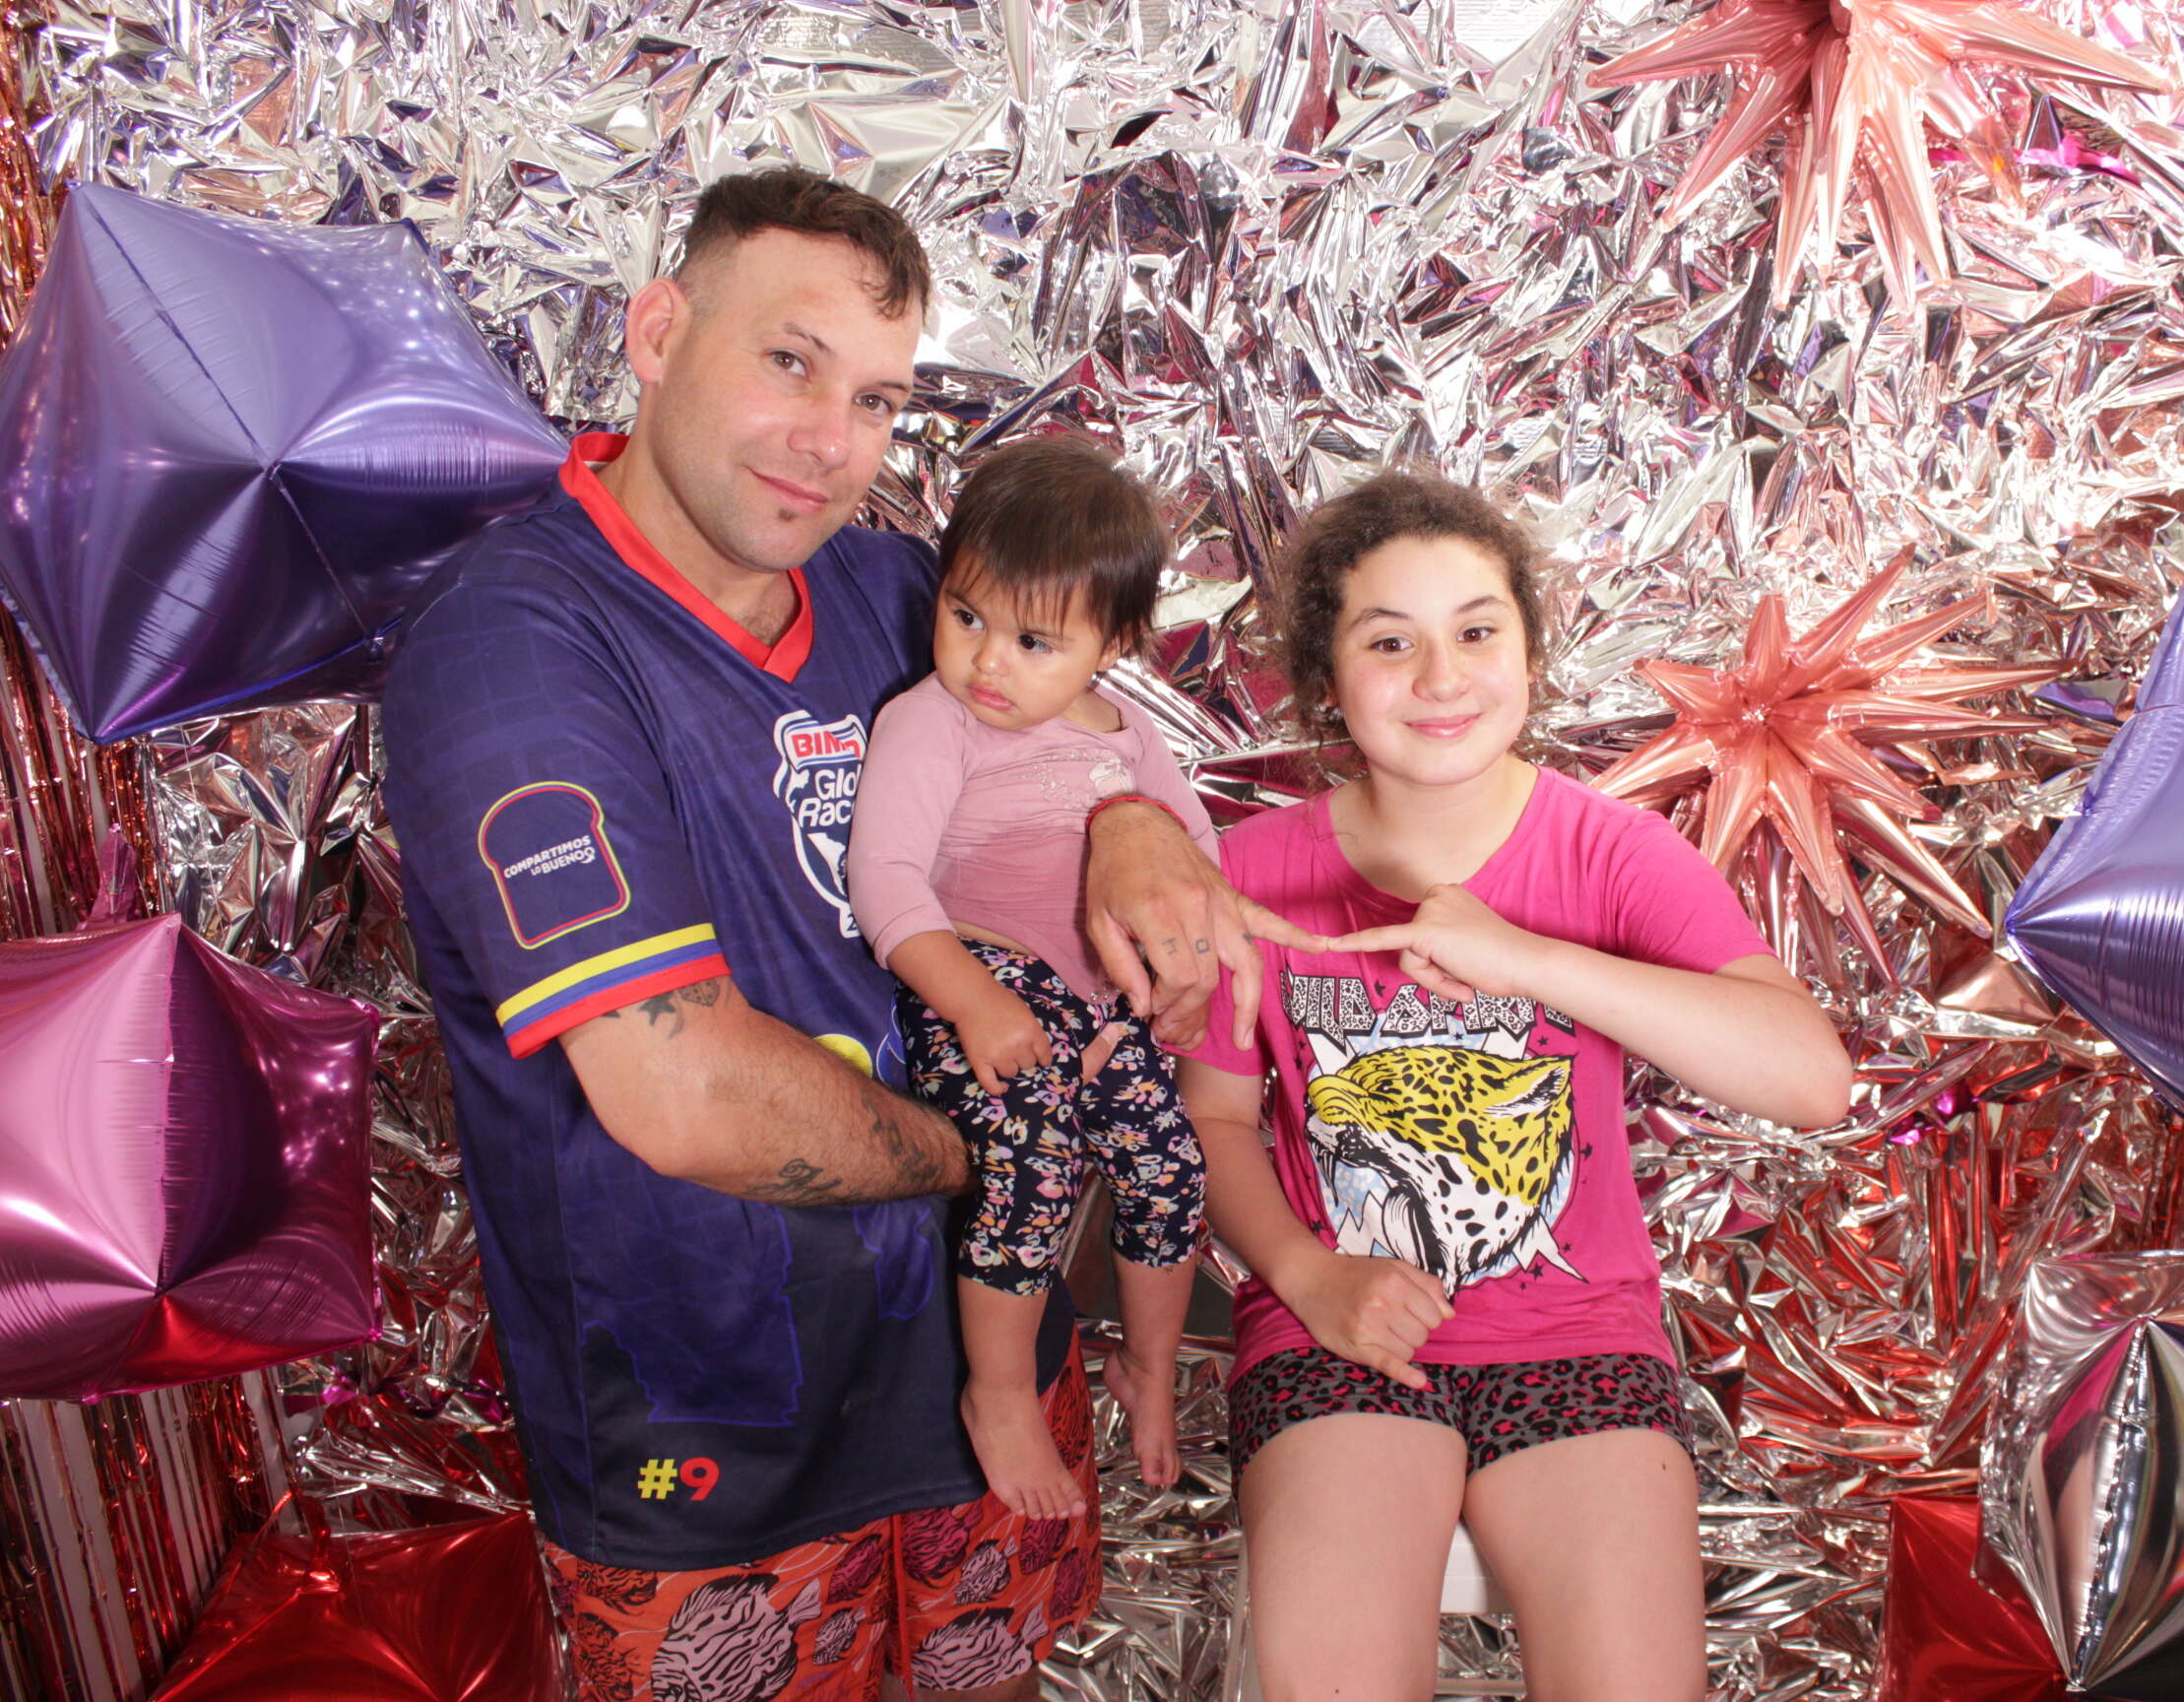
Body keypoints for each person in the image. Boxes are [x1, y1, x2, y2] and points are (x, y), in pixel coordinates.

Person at [382, 165, 1307, 1702]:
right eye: (789, 361)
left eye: (875, 399)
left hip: (977, 1371)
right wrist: (1010, 1147)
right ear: (658, 333)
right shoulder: (512, 647)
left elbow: (1074, 723)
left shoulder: (899, 592)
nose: (831, 440)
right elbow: (682, 1093)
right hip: (709, 1435)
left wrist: (1133, 824)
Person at [1177, 473, 1854, 1701]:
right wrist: (1307, 1275)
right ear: (1328, 678)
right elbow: (1216, 1121)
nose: (1442, 677)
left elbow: (1812, 1079)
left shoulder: (1617, 853)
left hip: (1576, 1335)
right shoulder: (1248, 870)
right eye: (1391, 642)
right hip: (1336, 1330)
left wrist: (1530, 960)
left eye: (1478, 631)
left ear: (1531, 657)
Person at [845, 437, 1211, 1522]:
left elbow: (1194, 862)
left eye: (1034, 641)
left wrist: (1172, 986)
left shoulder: (1127, 734)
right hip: (983, 978)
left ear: (1113, 645)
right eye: (966, 616)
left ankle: (1147, 1364)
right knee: (1033, 1156)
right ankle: (1000, 1394)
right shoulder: (930, 722)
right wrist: (972, 1002)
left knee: (1171, 1169)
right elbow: (886, 880)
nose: (987, 664)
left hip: (1100, 1003)